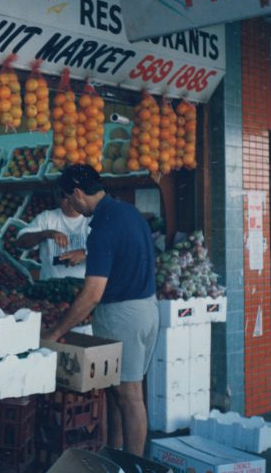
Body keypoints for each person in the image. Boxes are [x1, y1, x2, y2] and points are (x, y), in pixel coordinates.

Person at [41, 164, 159, 457]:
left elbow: (92, 295)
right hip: (147, 309)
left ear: (79, 193)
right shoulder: (129, 213)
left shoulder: (104, 227)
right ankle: (116, 455)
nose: (70, 205)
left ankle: (133, 465)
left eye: (69, 199)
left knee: (130, 397)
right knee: (120, 392)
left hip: (123, 315)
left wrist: (55, 332)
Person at [16, 186, 91, 279]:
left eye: (74, 197)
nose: (71, 202)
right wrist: (47, 233)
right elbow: (20, 243)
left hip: (87, 287)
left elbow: (112, 251)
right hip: (51, 286)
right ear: (58, 199)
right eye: (66, 198)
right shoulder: (47, 218)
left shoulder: (94, 218)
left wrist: (85, 253)